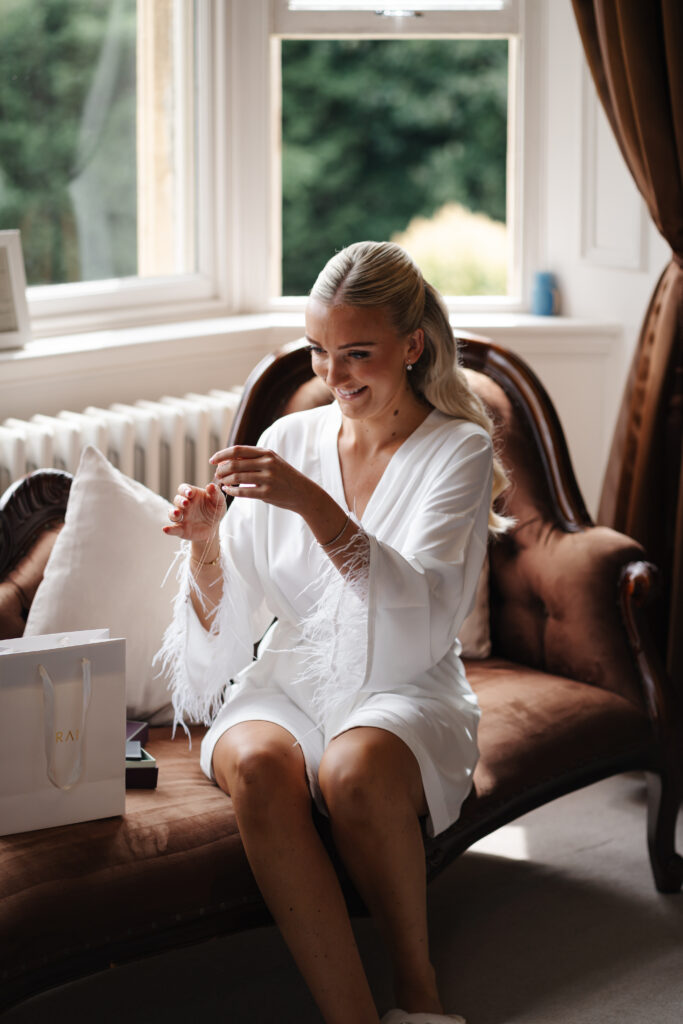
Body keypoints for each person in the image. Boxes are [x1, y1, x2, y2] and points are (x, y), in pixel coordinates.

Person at [157, 240, 511, 1024]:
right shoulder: (290, 441)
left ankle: (416, 992)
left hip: (405, 681)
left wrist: (312, 503)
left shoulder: (459, 447)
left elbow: (417, 611)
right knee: (254, 763)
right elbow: (234, 620)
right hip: (287, 676)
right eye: (318, 351)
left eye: (357, 353)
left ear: (411, 345)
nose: (333, 375)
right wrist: (208, 543)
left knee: (351, 771)